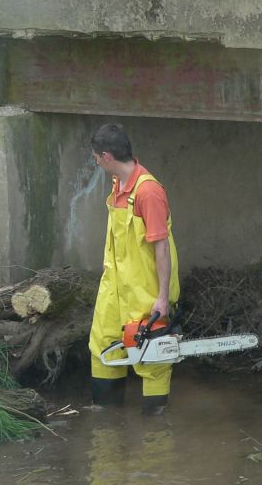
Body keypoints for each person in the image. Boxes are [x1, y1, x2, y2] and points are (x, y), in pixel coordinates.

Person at [87, 123, 180, 415]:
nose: (96, 163)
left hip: (145, 290)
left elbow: (161, 247)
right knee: (102, 346)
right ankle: (106, 418)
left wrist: (162, 298)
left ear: (107, 156)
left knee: (153, 358)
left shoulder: (148, 192)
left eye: (96, 158)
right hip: (114, 289)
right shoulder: (118, 183)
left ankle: (155, 425)